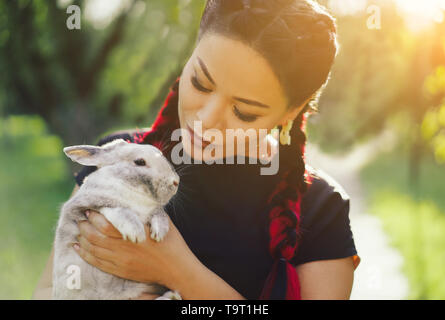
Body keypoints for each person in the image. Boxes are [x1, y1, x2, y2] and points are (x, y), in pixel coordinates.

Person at [33, 0, 360, 300]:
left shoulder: (320, 209)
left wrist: (176, 270)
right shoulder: (122, 160)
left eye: (243, 112)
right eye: (201, 83)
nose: (205, 120)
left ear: (293, 110)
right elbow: (50, 289)